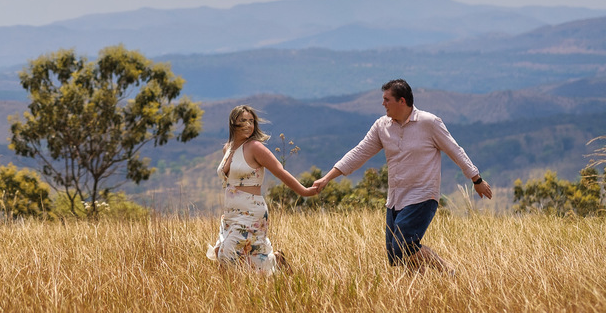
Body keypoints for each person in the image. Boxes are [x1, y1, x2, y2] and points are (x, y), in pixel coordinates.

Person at [312, 78, 492, 272]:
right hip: (396, 199)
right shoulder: (382, 126)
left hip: (423, 196)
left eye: (387, 99)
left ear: (402, 101)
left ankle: (448, 272)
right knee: (396, 256)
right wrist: (327, 178)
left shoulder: (429, 123)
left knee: (404, 245)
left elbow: (455, 151)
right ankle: (421, 290)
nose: (383, 104)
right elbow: (359, 153)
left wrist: (476, 179)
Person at [207, 105, 318, 274]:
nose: (248, 125)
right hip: (231, 213)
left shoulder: (255, 147)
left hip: (251, 212)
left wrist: (305, 191)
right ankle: (275, 262)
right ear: (233, 123)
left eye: (251, 121)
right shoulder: (227, 149)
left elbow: (280, 171)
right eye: (243, 120)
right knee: (248, 256)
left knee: (225, 255)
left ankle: (269, 266)